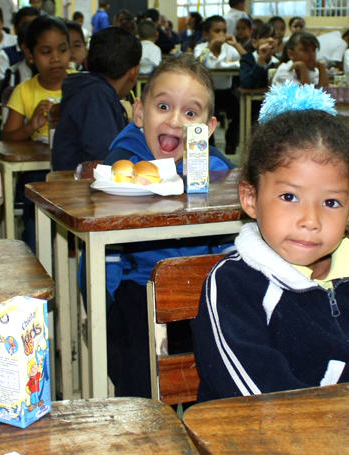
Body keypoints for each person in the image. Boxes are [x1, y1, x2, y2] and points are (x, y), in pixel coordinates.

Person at [192, 84, 349, 402]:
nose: (310, 220)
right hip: (248, 444)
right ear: (251, 198)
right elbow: (256, 397)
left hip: (347, 443)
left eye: (331, 203)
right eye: (289, 197)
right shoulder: (233, 285)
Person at [101, 56, 234, 397]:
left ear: (209, 127)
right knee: (134, 345)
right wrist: (106, 299)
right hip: (139, 287)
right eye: (163, 106)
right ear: (140, 113)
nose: (176, 121)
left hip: (200, 291)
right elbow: (104, 253)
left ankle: (206, 422)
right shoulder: (122, 171)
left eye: (191, 113)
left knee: (230, 335)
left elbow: (230, 242)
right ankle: (144, 421)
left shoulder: (218, 174)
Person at [2, 15, 72, 252]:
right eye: (45, 51)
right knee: (35, 194)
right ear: (29, 54)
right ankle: (35, 253)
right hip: (38, 169)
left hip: (73, 167)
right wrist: (32, 125)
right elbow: (8, 136)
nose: (56, 59)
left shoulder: (80, 85)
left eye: (62, 50)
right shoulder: (24, 91)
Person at [52, 26, 141, 171]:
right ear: (134, 71)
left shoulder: (87, 89)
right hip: (78, 186)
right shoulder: (96, 95)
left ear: (86, 62)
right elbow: (107, 157)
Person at [194, 15, 245, 154]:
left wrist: (236, 44)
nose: (221, 35)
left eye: (224, 31)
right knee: (206, 115)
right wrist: (211, 46)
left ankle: (231, 143)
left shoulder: (229, 49)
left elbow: (246, 60)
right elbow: (197, 64)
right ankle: (210, 146)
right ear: (206, 34)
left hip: (226, 91)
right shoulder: (201, 47)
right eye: (217, 31)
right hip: (208, 93)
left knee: (238, 111)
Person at [239, 21, 279, 89]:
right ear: (254, 43)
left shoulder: (278, 62)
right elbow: (247, 84)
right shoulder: (247, 59)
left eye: (274, 37)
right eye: (265, 37)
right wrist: (260, 62)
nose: (271, 40)